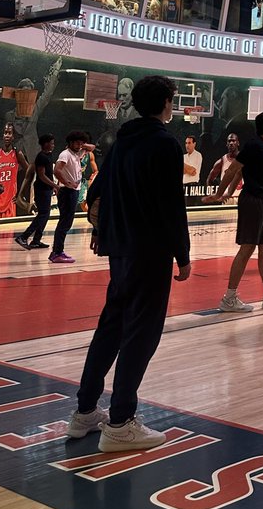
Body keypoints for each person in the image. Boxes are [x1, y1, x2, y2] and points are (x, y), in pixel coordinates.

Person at [67, 74, 191, 451]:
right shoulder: (165, 144)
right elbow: (172, 205)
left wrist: (103, 228)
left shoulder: (121, 142)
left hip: (118, 250)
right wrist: (183, 255)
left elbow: (97, 193)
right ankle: (120, 421)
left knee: (111, 327)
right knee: (141, 333)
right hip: (149, 250)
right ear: (166, 102)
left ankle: (85, 411)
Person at [211, 111, 263, 312]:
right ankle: (229, 298)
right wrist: (220, 193)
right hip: (252, 201)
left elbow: (240, 172)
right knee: (247, 249)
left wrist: (229, 191)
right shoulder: (254, 145)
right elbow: (232, 170)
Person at [50, 131, 91, 263]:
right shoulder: (65, 154)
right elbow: (57, 170)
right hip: (67, 191)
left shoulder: (76, 153)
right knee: (65, 222)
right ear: (70, 142)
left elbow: (92, 148)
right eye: (77, 142)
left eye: (81, 142)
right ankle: (57, 252)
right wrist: (67, 183)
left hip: (73, 191)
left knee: (66, 222)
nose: (80, 145)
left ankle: (56, 250)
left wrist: (83, 145)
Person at [15, 133, 59, 249]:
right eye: (52, 143)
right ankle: (23, 237)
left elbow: (48, 174)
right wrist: (55, 185)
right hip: (41, 190)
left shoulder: (48, 155)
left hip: (47, 189)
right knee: (43, 214)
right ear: (45, 144)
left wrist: (52, 186)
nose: (53, 145)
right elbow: (42, 176)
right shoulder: (41, 157)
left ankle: (36, 240)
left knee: (45, 214)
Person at [0, 124, 29, 220]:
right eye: (5, 133)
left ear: (13, 136)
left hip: (10, 200)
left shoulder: (17, 154)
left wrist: (20, 194)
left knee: (8, 231)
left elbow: (29, 173)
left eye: (9, 133)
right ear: (2, 135)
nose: (7, 135)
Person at [206, 132, 241, 204]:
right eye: (229, 141)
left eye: (233, 141)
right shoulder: (221, 161)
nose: (231, 143)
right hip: (227, 199)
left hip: (241, 198)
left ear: (238, 143)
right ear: (226, 144)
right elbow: (209, 180)